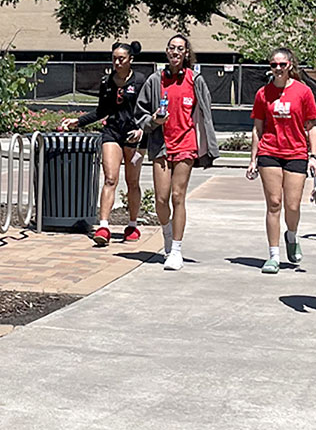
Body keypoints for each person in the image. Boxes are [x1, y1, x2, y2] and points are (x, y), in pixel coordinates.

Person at [135, 33, 219, 271]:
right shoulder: (154, 80)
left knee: (177, 196)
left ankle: (177, 251)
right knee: (161, 199)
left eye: (180, 49)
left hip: (186, 144)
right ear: (166, 51)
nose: (175, 52)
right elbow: (139, 114)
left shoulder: (195, 80)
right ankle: (167, 234)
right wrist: (153, 121)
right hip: (161, 145)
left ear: (186, 53)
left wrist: (208, 145)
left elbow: (206, 114)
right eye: (171, 48)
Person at [60, 41, 146, 246]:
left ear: (130, 60)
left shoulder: (141, 81)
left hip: (135, 135)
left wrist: (142, 129)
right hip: (112, 132)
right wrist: (78, 121)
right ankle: (104, 226)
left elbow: (148, 110)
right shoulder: (106, 81)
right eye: (114, 58)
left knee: (132, 182)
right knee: (110, 178)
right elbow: (101, 111)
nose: (117, 62)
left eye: (121, 58)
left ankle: (132, 225)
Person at [245, 47, 316, 273]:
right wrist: (253, 159)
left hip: (296, 152)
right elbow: (257, 128)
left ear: (290, 66)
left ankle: (292, 236)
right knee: (274, 203)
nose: (277, 69)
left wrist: (314, 156)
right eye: (273, 65)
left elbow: (312, 126)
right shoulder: (263, 94)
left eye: (282, 65)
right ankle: (273, 255)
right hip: (269, 152)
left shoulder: (303, 91)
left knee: (293, 205)